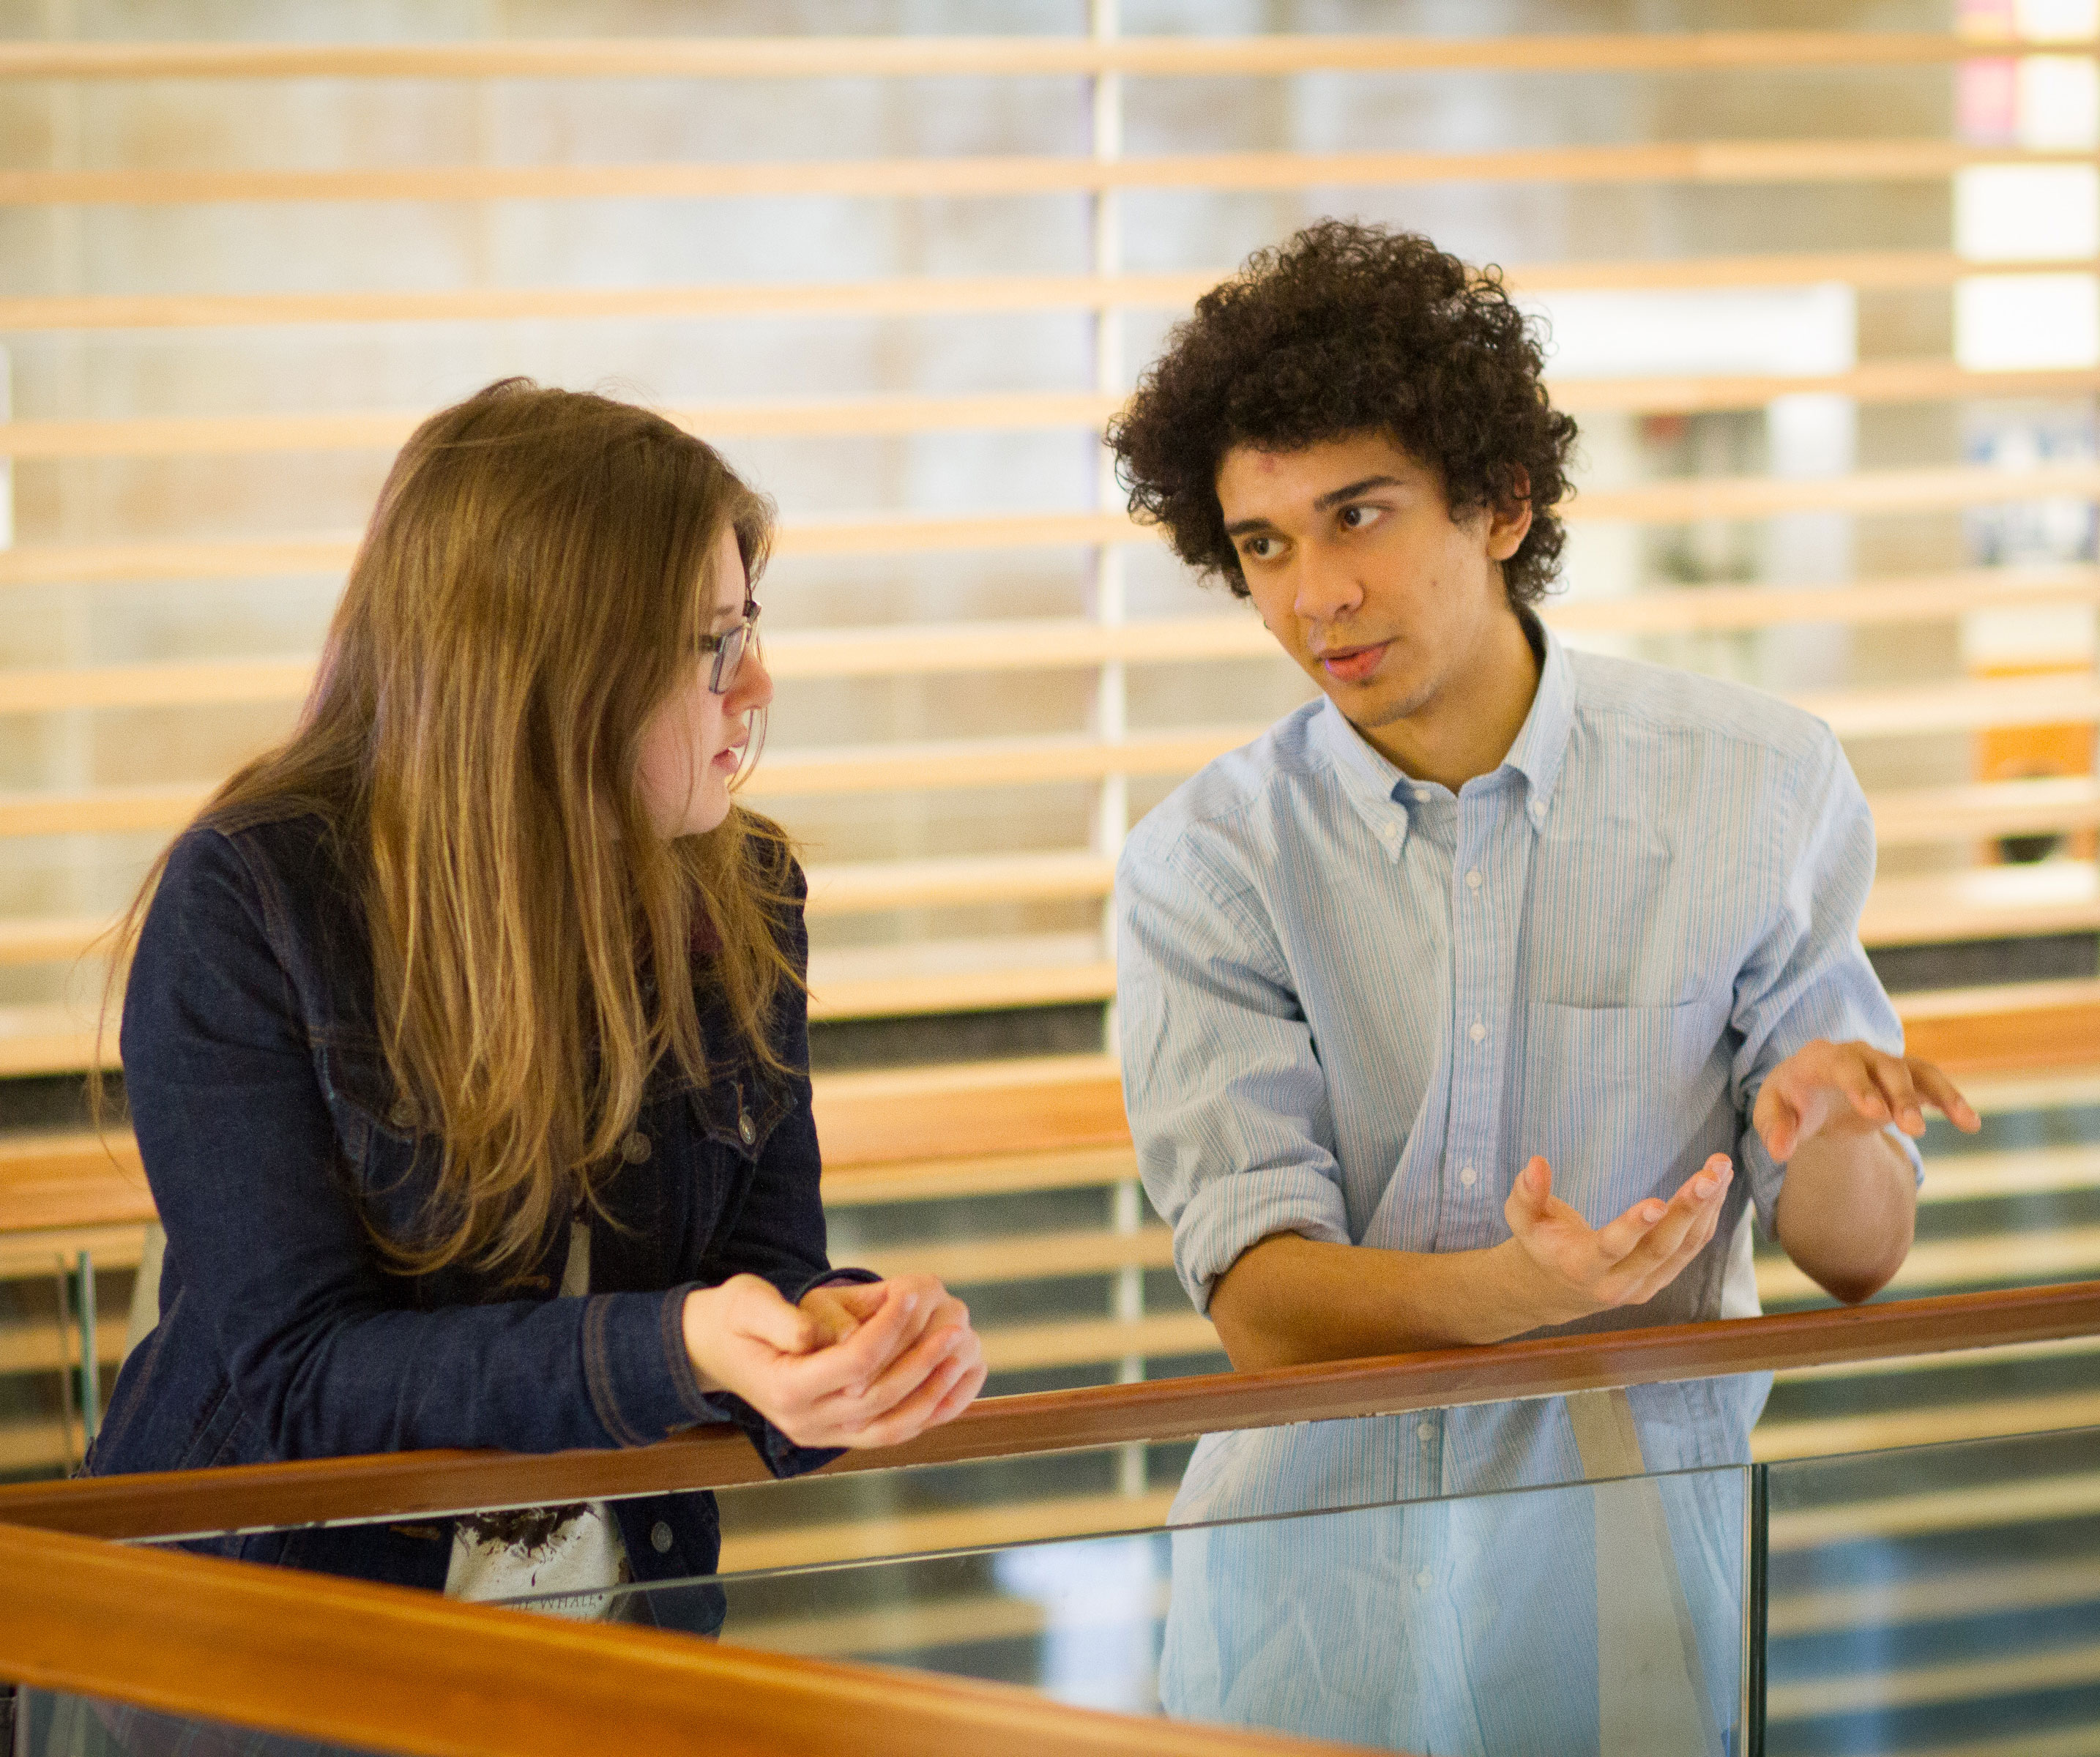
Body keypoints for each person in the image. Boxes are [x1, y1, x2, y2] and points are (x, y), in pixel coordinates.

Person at [1106, 223, 1978, 1752]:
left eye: (1357, 516)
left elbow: (1856, 1258)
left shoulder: (1754, 787)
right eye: (1264, 544)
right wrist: (1516, 1298)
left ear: (1501, 503)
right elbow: (1263, 1305)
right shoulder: (1208, 863)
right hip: (1308, 1624)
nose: (1316, 595)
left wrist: (1836, 1131)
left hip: (1624, 1615)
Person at [85, 380, 986, 1621]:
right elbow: (298, 1379)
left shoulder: (748, 888)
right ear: (556, 671)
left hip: (621, 1621)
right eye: (713, 642)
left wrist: (837, 1343)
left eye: (750, 625)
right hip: (265, 1639)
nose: (759, 683)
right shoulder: (256, 894)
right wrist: (681, 1346)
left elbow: (759, 1277)